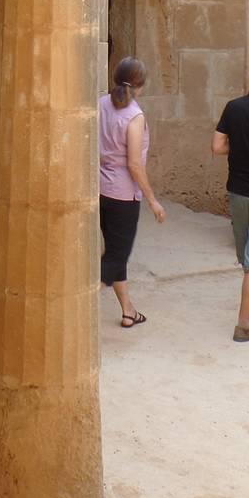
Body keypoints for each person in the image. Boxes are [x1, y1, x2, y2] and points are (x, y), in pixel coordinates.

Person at [99, 57, 165, 327]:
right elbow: (134, 164)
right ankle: (73, 306)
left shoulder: (101, 103)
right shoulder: (134, 116)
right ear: (141, 85)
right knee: (116, 256)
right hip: (123, 195)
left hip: (101, 188)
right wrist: (152, 201)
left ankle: (128, 310)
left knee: (116, 253)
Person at [213, 54, 249, 343]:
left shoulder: (234, 108)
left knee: (248, 258)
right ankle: (243, 324)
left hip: (237, 191)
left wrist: (238, 149)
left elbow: (217, 146)